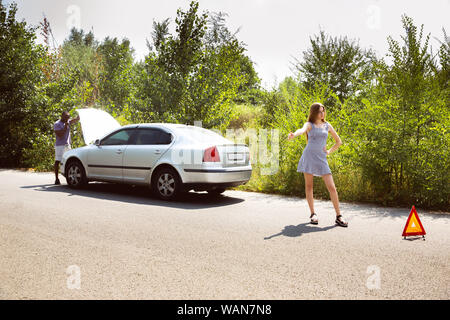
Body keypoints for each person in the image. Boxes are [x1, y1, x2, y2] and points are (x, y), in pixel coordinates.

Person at [288, 102, 348, 227]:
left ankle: (338, 216)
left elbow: (338, 141)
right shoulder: (309, 124)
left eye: (323, 111)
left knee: (332, 187)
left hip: (321, 159)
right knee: (309, 186)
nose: (322, 113)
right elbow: (302, 130)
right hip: (309, 157)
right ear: (314, 112)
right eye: (320, 111)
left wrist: (329, 152)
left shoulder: (327, 125)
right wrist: (294, 134)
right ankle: (313, 214)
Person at [54, 111, 80, 185]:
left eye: (68, 117)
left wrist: (78, 116)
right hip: (60, 145)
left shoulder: (68, 121)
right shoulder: (57, 124)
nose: (67, 118)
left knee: (70, 160)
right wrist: (65, 126)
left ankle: (70, 178)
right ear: (62, 116)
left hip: (67, 145)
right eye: (66, 117)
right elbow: (60, 135)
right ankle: (56, 179)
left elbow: (75, 120)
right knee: (58, 161)